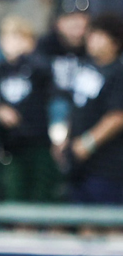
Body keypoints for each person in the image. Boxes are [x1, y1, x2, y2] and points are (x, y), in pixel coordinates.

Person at [0, 15, 60, 202]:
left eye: (16, 37)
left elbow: (47, 77)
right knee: (15, 190)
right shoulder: (0, 69)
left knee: (42, 191)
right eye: (6, 38)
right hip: (12, 144)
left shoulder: (38, 65)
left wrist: (27, 53)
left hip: (38, 141)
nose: (10, 43)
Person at [58, 13, 123, 204]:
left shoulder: (118, 72)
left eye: (100, 36)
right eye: (92, 34)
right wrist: (65, 139)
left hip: (107, 165)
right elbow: (75, 106)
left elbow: (117, 116)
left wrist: (87, 143)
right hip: (79, 164)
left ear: (115, 42)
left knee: (107, 222)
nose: (92, 40)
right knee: (81, 221)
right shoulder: (85, 66)